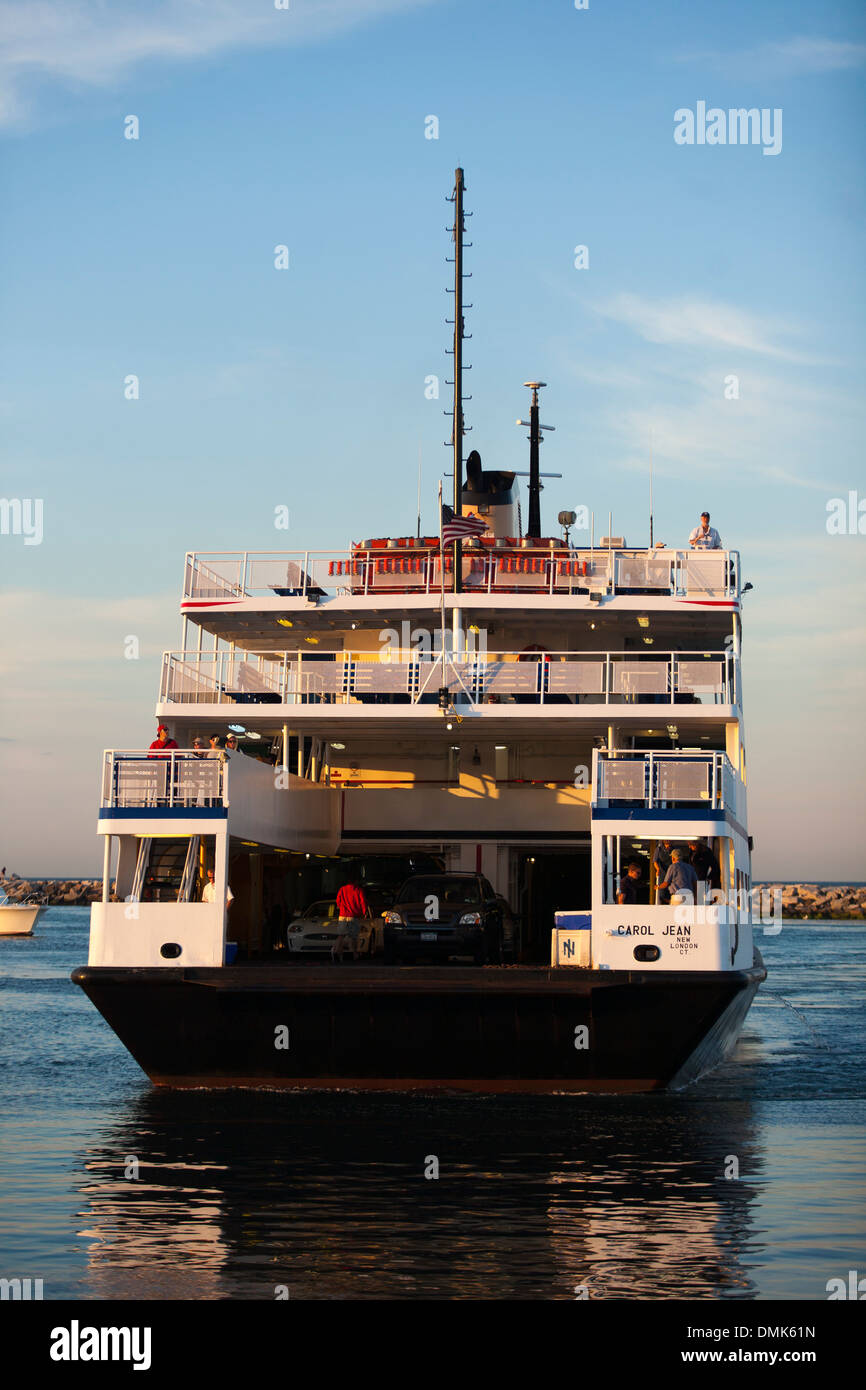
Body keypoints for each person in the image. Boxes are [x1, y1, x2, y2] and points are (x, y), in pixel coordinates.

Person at [332, 874, 371, 962]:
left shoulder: (342, 889)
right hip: (353, 916)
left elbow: (338, 901)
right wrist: (364, 913)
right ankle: (354, 954)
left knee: (341, 935)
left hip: (342, 916)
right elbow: (362, 903)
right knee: (353, 936)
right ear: (355, 881)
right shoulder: (358, 890)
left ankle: (337, 952)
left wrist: (342, 907)